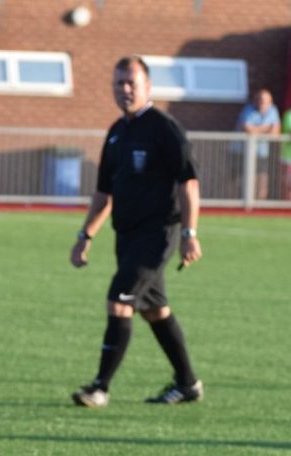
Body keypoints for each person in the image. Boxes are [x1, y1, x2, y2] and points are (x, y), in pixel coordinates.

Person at [69, 55, 203, 408]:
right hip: (126, 236)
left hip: (157, 235)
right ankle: (188, 383)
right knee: (154, 309)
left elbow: (188, 184)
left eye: (132, 83)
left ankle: (100, 387)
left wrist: (190, 233)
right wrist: (85, 237)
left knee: (119, 301)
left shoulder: (165, 128)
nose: (125, 90)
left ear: (148, 87)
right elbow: (103, 194)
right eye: (119, 83)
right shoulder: (117, 132)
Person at [233, 88, 280, 200]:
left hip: (261, 152)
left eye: (264, 101)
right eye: (259, 100)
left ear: (270, 102)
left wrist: (257, 130)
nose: (261, 103)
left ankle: (259, 206)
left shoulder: (272, 111)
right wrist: (266, 128)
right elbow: (247, 129)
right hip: (241, 151)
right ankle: (238, 204)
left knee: (261, 178)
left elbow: (275, 132)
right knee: (239, 179)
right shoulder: (248, 110)